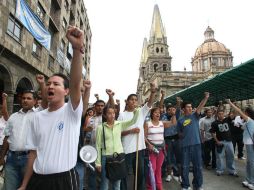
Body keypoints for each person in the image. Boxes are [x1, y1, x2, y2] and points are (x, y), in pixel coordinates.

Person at [18, 26, 85, 190]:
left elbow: (76, 83)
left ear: (66, 91)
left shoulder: (71, 112)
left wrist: (77, 49)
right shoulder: (37, 117)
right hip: (38, 180)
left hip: (64, 181)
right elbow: (33, 154)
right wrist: (24, 185)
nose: (51, 86)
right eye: (48, 84)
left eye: (56, 84)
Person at [119, 82, 156, 190]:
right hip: (126, 149)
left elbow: (149, 104)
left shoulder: (140, 112)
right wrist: (131, 131)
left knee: (140, 174)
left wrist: (153, 91)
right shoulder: (122, 115)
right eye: (132, 99)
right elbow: (118, 132)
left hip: (139, 148)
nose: (134, 101)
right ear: (127, 102)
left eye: (136, 100)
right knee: (124, 175)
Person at [0, 90, 38, 190]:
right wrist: (2, 157)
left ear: (35, 101)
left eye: (29, 98)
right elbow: (6, 138)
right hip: (11, 159)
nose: (25, 100)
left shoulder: (39, 116)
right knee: (9, 187)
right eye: (24, 98)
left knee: (27, 187)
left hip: (29, 160)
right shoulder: (13, 117)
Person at [95, 105, 139, 190]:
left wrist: (137, 112)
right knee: (104, 183)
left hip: (118, 156)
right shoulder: (101, 128)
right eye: (109, 113)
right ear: (105, 115)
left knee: (117, 183)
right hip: (105, 158)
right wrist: (98, 163)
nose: (112, 115)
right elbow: (98, 145)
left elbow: (133, 121)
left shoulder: (119, 124)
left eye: (113, 113)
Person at [177, 92, 210, 190]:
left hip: (196, 145)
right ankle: (185, 185)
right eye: (188, 107)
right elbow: (179, 133)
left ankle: (198, 185)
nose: (190, 108)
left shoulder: (195, 116)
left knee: (198, 167)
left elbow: (200, 106)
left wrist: (206, 98)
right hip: (185, 146)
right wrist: (182, 135)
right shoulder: (180, 120)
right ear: (183, 109)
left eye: (191, 107)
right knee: (185, 167)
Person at [144, 107, 176, 190]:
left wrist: (173, 114)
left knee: (158, 169)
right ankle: (150, 187)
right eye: (155, 112)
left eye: (159, 112)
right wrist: (148, 145)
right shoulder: (147, 124)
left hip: (161, 150)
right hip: (151, 150)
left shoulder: (162, 123)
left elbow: (173, 123)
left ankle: (159, 186)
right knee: (152, 169)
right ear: (152, 114)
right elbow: (143, 136)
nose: (158, 114)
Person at [227, 99, 254, 190]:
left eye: (244, 112)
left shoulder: (249, 119)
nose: (242, 114)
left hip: (250, 144)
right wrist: (239, 125)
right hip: (248, 144)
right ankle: (248, 179)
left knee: (251, 163)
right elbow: (244, 130)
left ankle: (252, 181)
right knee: (249, 163)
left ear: (247, 113)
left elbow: (238, 111)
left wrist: (230, 103)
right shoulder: (249, 121)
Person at [210, 109, 238, 177]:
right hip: (220, 142)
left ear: (224, 114)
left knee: (231, 156)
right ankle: (220, 170)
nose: (221, 115)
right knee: (219, 157)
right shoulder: (214, 123)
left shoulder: (227, 120)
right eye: (219, 114)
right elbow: (212, 133)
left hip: (229, 141)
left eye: (222, 114)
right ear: (217, 114)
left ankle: (232, 170)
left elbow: (235, 113)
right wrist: (217, 141)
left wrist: (231, 104)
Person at [75, 80, 92, 190]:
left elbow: (83, 106)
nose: (81, 93)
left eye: (82, 91)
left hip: (77, 156)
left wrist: (87, 90)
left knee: (79, 182)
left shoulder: (79, 114)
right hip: (62, 157)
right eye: (79, 90)